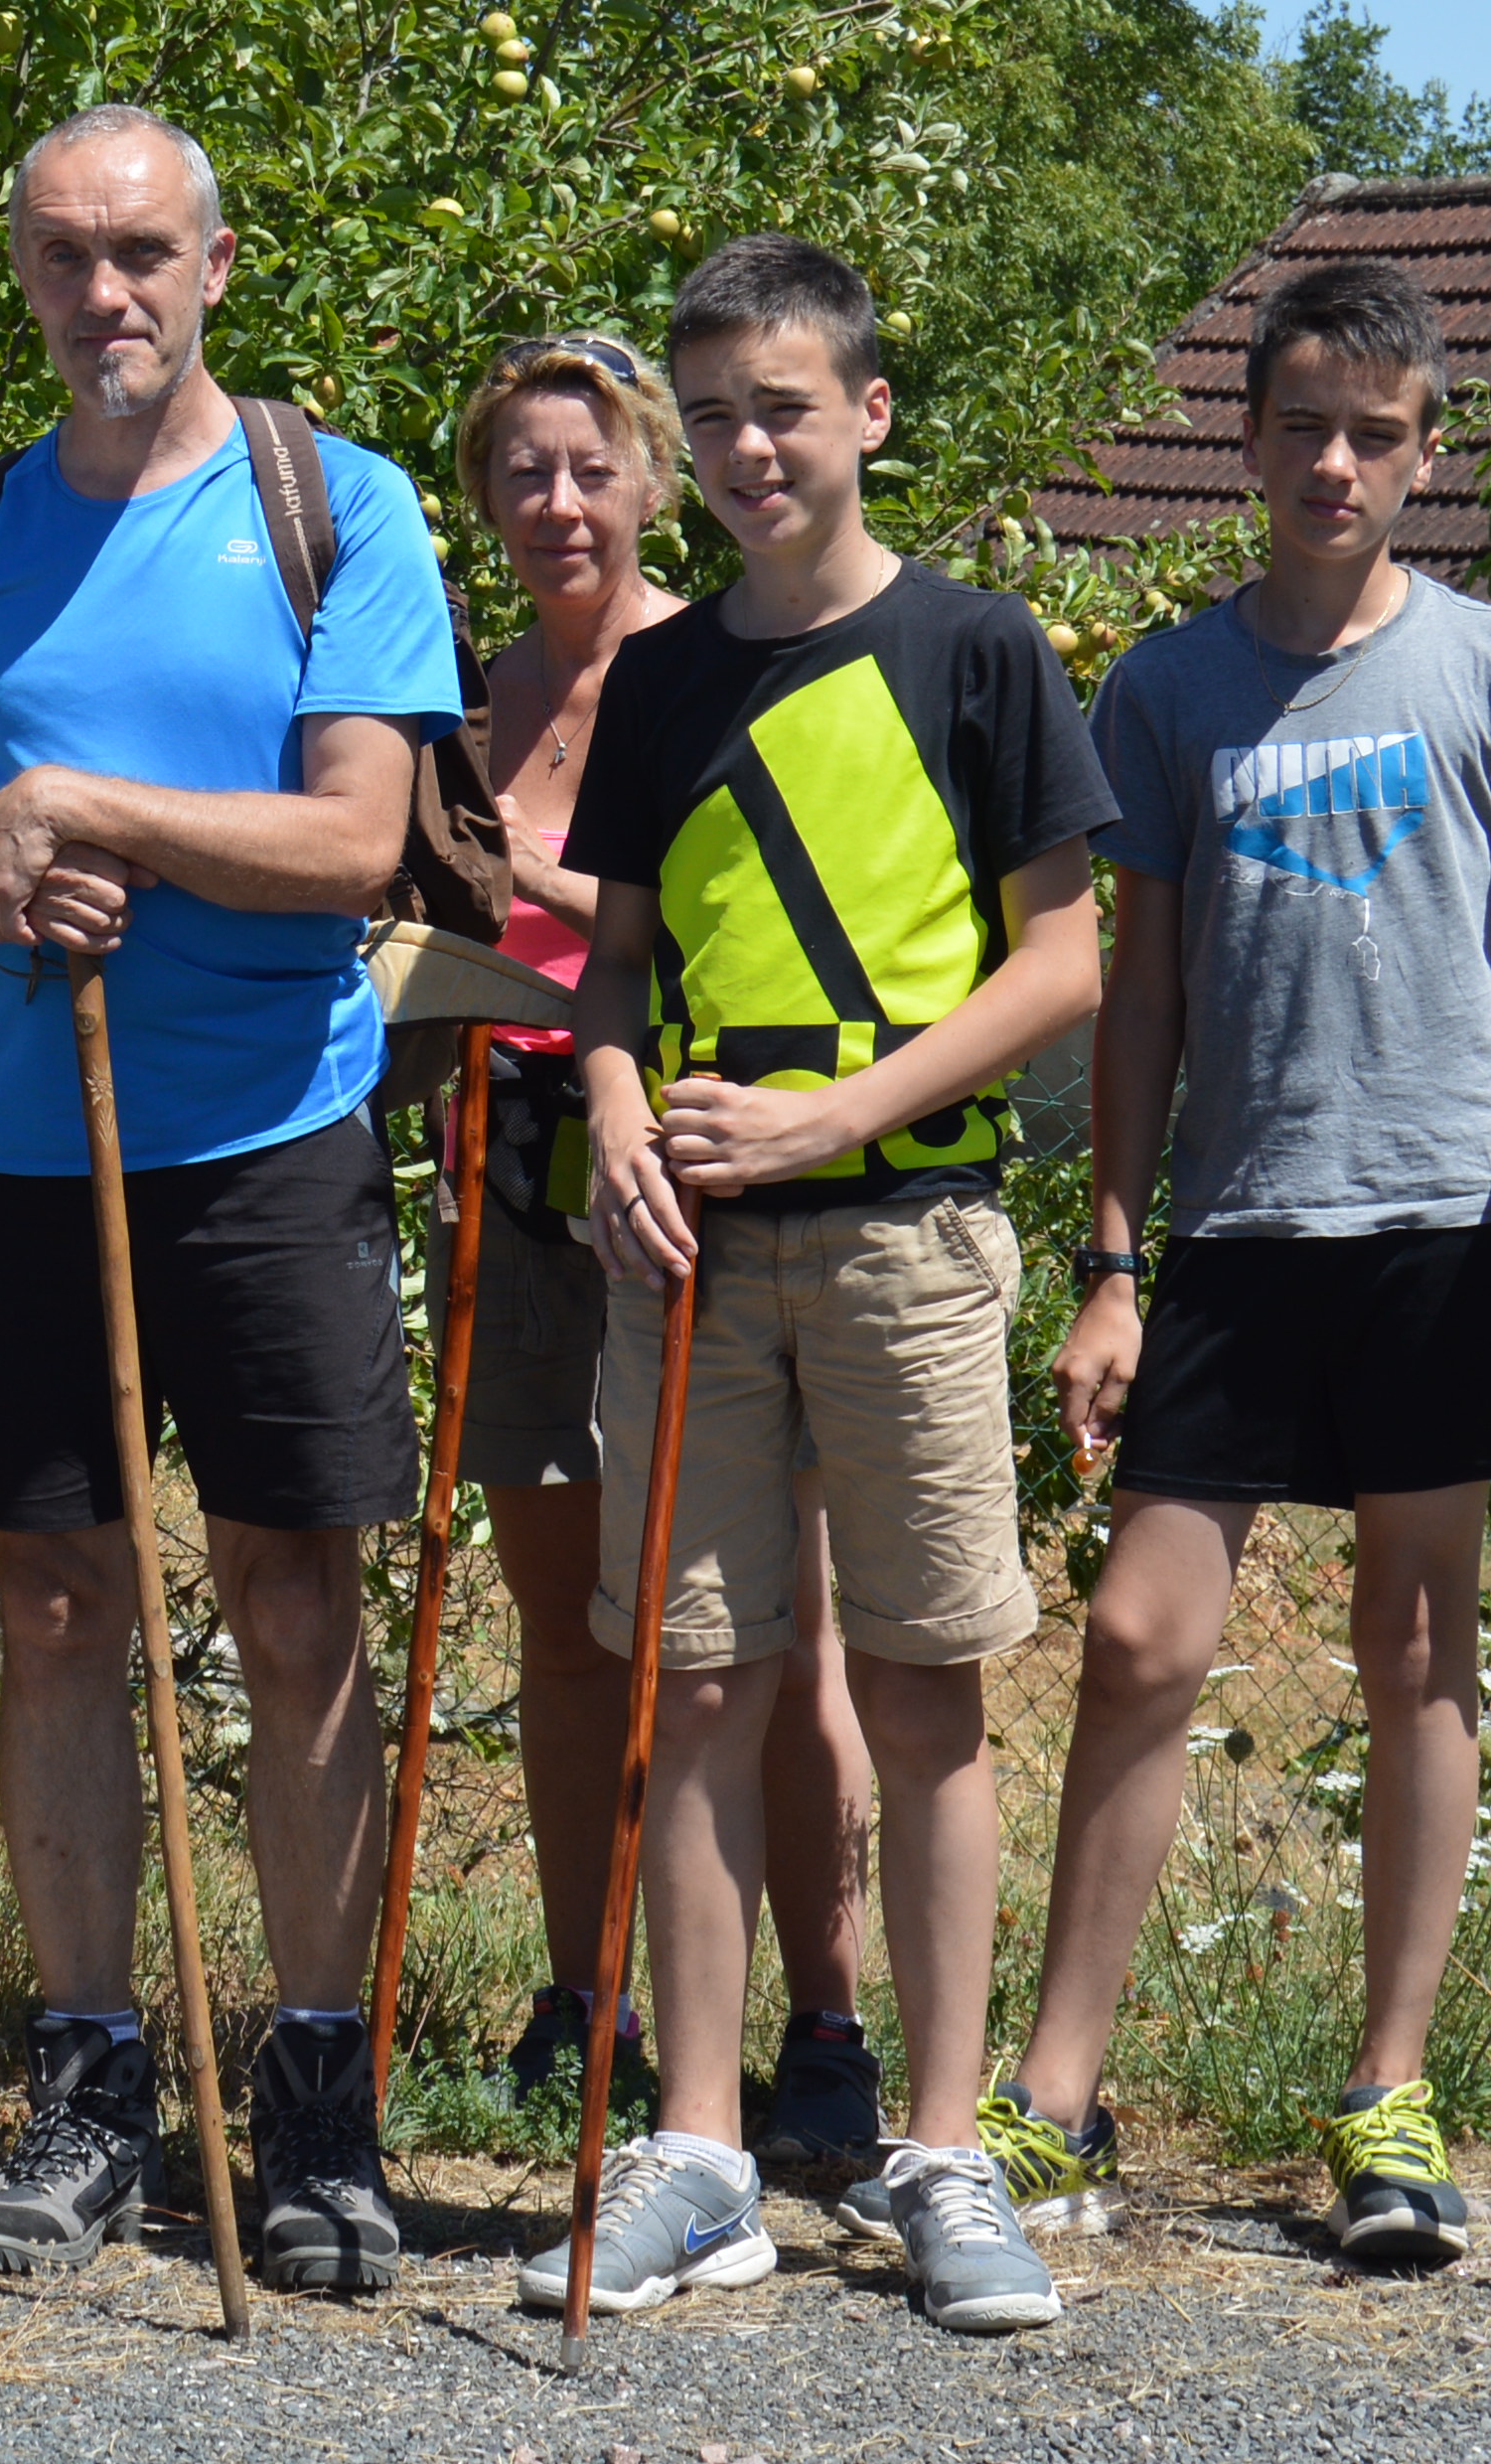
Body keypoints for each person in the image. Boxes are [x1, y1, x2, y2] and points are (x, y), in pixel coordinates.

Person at [0, 105, 464, 2300]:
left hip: (267, 1138)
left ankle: (317, 2101)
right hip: (27, 1145)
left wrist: (93, 803)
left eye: (139, 253)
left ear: (214, 258)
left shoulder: (332, 503)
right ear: (18, 273)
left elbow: (355, 844)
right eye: (58, 257)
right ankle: (90, 2082)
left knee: (293, 1607)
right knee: (49, 1612)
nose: (102, 295)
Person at [985, 257, 1491, 2262]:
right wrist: (1107, 1254)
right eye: (1297, 427)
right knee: (1136, 1641)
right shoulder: (1164, 688)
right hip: (1239, 1227)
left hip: (1446, 1213)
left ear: (1423, 453)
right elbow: (1138, 993)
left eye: (1371, 431)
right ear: (1241, 442)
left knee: (1415, 1647)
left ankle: (1387, 2098)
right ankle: (1054, 2097)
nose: (1330, 461)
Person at [538, 232, 1108, 2337]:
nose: (744, 447)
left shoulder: (978, 651)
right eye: (710, 417)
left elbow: (1062, 960)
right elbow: (608, 966)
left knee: (928, 1685)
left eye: (781, 405)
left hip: (906, 1239)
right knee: (688, 1688)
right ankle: (697, 2152)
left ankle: (940, 2147)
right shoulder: (663, 677)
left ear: (865, 411)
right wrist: (611, 1113)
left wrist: (830, 1112)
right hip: (685, 1250)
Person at [443, 334, 887, 2178]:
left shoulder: (719, 670)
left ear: (651, 477)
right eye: (522, 475)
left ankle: (828, 2023)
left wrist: (509, 878)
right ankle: (587, 1994)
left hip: (704, 1159)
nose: (559, 505)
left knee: (774, 1633)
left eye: (591, 468)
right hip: (514, 1165)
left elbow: (710, 928)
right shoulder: (467, 695)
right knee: (568, 1618)